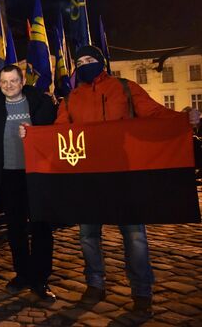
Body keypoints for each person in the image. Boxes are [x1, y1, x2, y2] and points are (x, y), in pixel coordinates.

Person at [43, 45, 200, 315]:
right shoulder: (71, 98)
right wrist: (32, 136)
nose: (84, 64)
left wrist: (184, 119)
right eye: (79, 61)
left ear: (101, 62)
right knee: (88, 234)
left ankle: (142, 290)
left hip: (123, 173)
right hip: (88, 176)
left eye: (90, 59)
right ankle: (95, 283)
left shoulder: (125, 88)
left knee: (134, 234)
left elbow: (153, 114)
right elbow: (59, 133)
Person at [0, 64, 57, 301]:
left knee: (41, 226)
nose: (8, 86)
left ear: (22, 80)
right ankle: (22, 274)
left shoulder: (40, 103)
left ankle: (41, 278)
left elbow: (54, 132)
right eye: (4, 82)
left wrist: (35, 131)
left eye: (13, 81)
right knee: (15, 228)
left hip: (36, 173)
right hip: (8, 174)